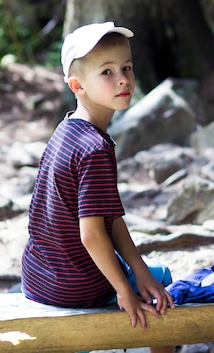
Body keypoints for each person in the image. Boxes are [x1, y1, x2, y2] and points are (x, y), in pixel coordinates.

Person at [21, 22, 175, 353]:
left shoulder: (67, 131)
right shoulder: (95, 149)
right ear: (78, 85)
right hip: (74, 287)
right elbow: (91, 234)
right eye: (106, 72)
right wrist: (124, 288)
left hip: (39, 277)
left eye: (127, 67)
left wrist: (138, 269)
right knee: (162, 286)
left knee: (147, 273)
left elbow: (110, 218)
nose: (123, 79)